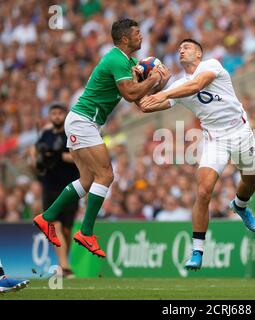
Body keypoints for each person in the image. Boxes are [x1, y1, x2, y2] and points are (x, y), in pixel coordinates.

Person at [33, 18, 171, 257]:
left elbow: (142, 103)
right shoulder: (116, 58)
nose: (142, 36)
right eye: (137, 33)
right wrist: (154, 79)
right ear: (125, 38)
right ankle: (85, 232)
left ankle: (46, 218)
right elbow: (130, 94)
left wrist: (163, 87)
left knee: (87, 180)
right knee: (106, 175)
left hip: (83, 122)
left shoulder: (127, 62)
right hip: (83, 121)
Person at [139, 39, 255, 271]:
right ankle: (197, 250)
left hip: (240, 131)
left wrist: (164, 93)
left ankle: (240, 205)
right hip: (214, 139)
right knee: (203, 190)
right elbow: (145, 106)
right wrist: (145, 85)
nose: (181, 49)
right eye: (179, 48)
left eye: (187, 47)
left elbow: (196, 86)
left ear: (199, 53)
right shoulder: (177, 85)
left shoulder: (211, 65)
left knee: (252, 179)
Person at [31, 102, 79, 278]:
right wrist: (40, 160)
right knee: (55, 225)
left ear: (65, 115)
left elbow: (78, 157)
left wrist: (58, 154)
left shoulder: (72, 133)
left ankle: (63, 264)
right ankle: (65, 266)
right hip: (49, 187)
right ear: (50, 116)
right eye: (54, 113)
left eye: (60, 113)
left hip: (70, 187)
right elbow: (37, 161)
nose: (57, 116)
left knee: (67, 229)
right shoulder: (45, 136)